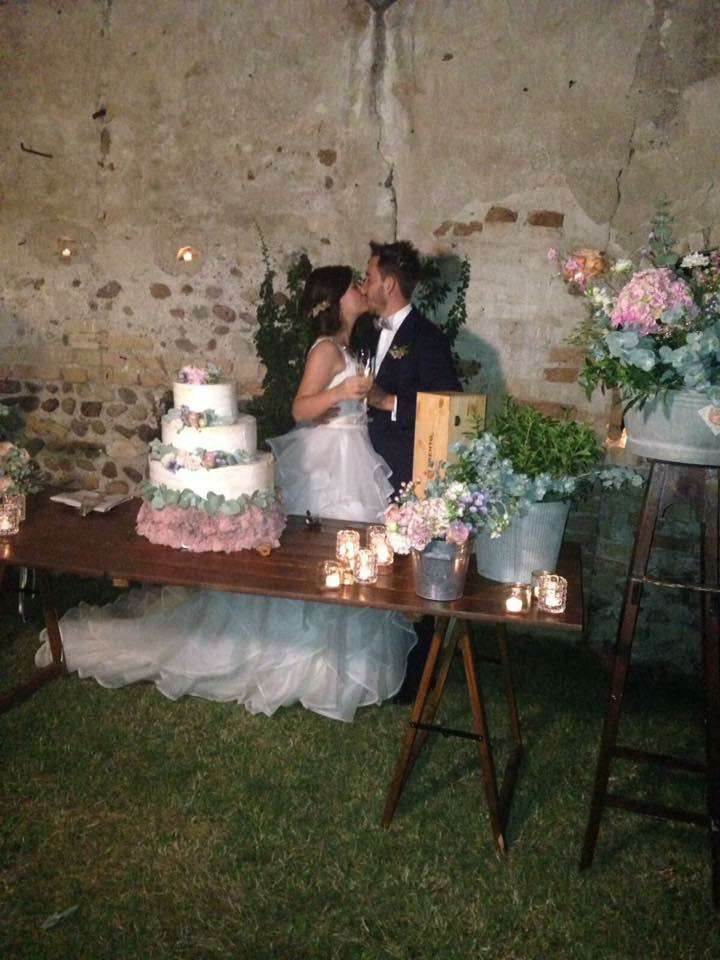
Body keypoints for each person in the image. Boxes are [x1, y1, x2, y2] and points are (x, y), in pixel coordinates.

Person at [36, 266, 415, 723]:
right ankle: (298, 654)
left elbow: (355, 398)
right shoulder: (325, 351)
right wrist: (341, 393)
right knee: (316, 560)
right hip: (329, 460)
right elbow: (301, 408)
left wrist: (375, 397)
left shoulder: (346, 347)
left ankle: (336, 656)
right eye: (353, 285)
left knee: (342, 557)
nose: (360, 289)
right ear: (335, 300)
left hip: (351, 453)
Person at [361, 240, 462, 702]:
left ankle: (413, 676)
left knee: (406, 574)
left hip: (404, 469)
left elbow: (449, 404)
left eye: (369, 277)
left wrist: (388, 401)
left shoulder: (427, 338)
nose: (364, 285)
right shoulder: (367, 334)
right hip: (364, 466)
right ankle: (373, 660)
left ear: (389, 283)